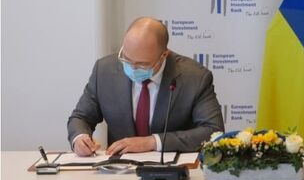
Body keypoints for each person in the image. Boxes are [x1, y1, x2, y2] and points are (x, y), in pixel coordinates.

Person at [67, 17, 224, 155]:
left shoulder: (194, 78)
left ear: (163, 56)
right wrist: (80, 137)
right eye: (126, 59)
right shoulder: (104, 70)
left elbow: (213, 131)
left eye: (142, 64)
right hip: (119, 169)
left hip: (171, 170)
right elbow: (81, 117)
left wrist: (152, 142)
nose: (132, 68)